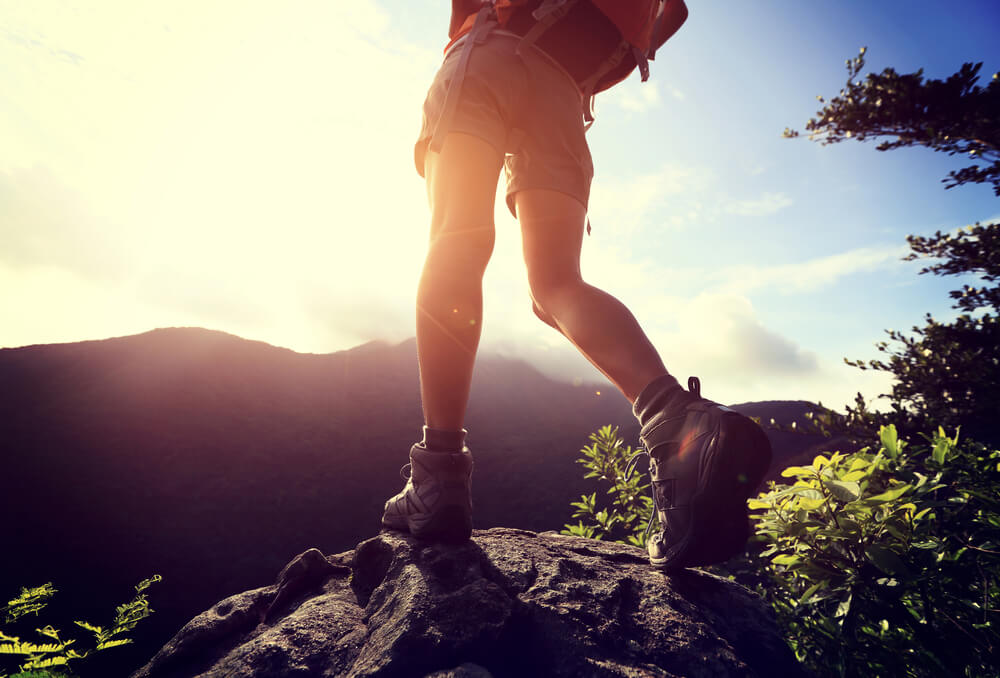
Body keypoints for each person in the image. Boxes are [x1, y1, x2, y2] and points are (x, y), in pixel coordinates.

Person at [381, 0, 772, 571]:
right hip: (561, 90)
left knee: (456, 244)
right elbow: (676, 12)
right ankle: (675, 418)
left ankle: (438, 474)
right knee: (557, 284)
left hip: (489, 57)